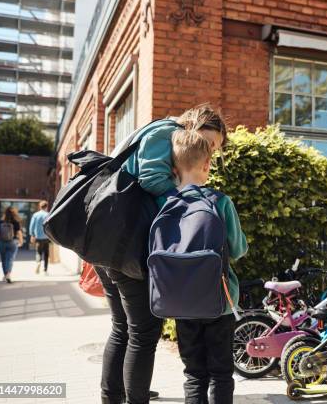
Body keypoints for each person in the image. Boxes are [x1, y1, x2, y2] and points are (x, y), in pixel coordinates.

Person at [93, 104, 227, 404]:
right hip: (125, 247)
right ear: (197, 124)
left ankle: (114, 396)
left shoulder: (161, 132)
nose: (209, 152)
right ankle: (132, 397)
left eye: (214, 150)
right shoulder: (168, 131)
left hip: (112, 242)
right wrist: (188, 204)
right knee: (143, 332)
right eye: (210, 143)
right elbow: (152, 178)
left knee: (123, 328)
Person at [169, 122, 247, 404]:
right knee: (221, 373)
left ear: (175, 168)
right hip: (219, 302)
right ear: (207, 165)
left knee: (193, 374)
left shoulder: (166, 203)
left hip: (181, 304)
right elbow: (237, 249)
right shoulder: (221, 201)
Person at [0, 207, 24, 283]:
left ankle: (6, 274)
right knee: (10, 259)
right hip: (12, 242)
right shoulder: (15, 222)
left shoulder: (0, 222)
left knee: (3, 259)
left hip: (2, 242)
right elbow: (19, 233)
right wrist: (21, 241)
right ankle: (8, 274)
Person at [29, 200, 51, 275]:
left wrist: (32, 235)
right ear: (46, 206)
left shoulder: (35, 215)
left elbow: (32, 226)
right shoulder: (48, 215)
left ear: (40, 206)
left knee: (38, 252)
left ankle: (38, 262)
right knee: (46, 253)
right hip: (47, 237)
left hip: (38, 237)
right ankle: (45, 270)